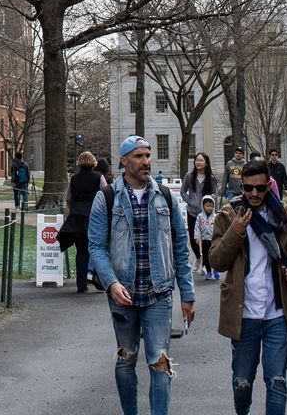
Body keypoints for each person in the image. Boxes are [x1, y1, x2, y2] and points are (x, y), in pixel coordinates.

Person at [89, 135, 195, 415]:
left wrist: (188, 294)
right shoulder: (107, 198)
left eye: (148, 156)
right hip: (122, 295)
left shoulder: (165, 196)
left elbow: (181, 247)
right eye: (138, 156)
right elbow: (96, 247)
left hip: (158, 293)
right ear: (124, 161)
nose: (146, 161)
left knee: (160, 362)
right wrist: (111, 283)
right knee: (126, 360)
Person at [207, 161, 287, 415]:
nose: (254, 194)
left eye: (260, 188)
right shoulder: (229, 215)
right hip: (244, 315)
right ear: (241, 186)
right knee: (242, 383)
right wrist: (236, 231)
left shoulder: (284, 216)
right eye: (248, 188)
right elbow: (216, 260)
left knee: (276, 381)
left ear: (269, 186)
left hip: (277, 312)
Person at [65, 151, 106, 293]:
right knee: (97, 249)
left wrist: (74, 208)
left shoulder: (74, 179)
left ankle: (81, 284)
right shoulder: (99, 177)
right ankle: (97, 277)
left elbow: (68, 198)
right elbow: (105, 194)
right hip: (94, 218)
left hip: (76, 218)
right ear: (93, 162)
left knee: (81, 251)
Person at [194, 195, 219, 279]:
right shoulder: (200, 217)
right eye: (207, 206)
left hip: (214, 240)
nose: (209, 208)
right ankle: (208, 271)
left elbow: (219, 228)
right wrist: (197, 236)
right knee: (206, 256)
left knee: (215, 256)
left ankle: (215, 270)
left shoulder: (215, 217)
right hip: (204, 240)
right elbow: (197, 227)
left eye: (211, 206)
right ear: (203, 206)